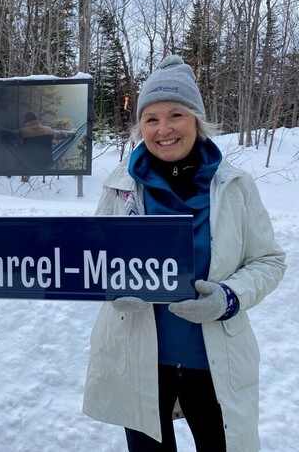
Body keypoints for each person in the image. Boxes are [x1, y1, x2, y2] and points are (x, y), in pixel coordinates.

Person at [82, 55, 286, 451]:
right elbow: (96, 258)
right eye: (151, 119)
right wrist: (111, 287)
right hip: (140, 361)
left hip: (213, 362)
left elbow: (268, 261)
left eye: (175, 114)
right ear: (140, 126)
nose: (163, 129)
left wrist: (229, 298)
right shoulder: (119, 185)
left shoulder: (235, 186)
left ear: (196, 120)